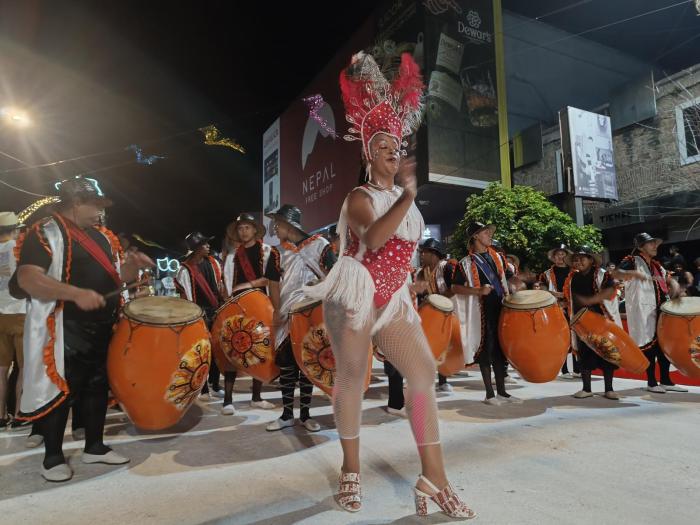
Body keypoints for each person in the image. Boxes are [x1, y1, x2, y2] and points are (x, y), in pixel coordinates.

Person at [304, 51, 474, 518]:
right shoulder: (359, 197)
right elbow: (374, 238)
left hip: (394, 300)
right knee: (353, 380)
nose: (392, 151)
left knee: (423, 377)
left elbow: (404, 252)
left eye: (397, 145)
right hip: (354, 295)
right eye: (383, 145)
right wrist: (408, 196)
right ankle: (351, 470)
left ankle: (433, 479)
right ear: (368, 152)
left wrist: (417, 282)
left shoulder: (405, 201)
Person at [13, 176, 153, 482]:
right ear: (76, 203)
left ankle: (95, 446)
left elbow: (115, 279)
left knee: (96, 387)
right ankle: (52, 457)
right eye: (96, 204)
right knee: (63, 389)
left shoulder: (102, 237)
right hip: (65, 325)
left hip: (101, 325)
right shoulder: (46, 231)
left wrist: (132, 268)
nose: (101, 210)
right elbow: (27, 278)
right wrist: (76, 294)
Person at [265, 204, 335, 432]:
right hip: (287, 315)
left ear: (289, 224)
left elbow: (334, 277)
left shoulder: (320, 246)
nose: (274, 229)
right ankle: (286, 414)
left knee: (308, 364)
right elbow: (273, 283)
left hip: (312, 316)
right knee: (287, 366)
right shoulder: (276, 252)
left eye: (278, 224)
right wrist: (277, 309)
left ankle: (305, 415)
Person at [452, 222, 521, 406]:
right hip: (481, 312)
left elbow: (508, 277)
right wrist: (477, 291)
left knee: (500, 351)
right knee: (485, 350)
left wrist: (515, 284)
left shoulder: (497, 257)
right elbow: (455, 287)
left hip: (501, 308)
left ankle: (503, 393)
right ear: (475, 236)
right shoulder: (465, 263)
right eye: (485, 232)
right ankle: (489, 394)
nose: (490, 234)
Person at [224, 213, 280, 413]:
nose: (243, 231)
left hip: (261, 305)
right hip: (237, 307)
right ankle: (227, 400)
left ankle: (256, 397)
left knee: (259, 349)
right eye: (240, 228)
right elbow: (227, 284)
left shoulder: (268, 252)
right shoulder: (232, 256)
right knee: (232, 349)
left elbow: (271, 280)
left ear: (255, 230)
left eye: (247, 227)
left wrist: (247, 285)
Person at [616, 233, 686, 393]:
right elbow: (617, 273)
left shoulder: (656, 265)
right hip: (644, 310)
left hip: (660, 309)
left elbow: (667, 279)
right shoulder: (632, 261)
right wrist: (634, 274)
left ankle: (666, 380)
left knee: (663, 346)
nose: (655, 246)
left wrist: (674, 284)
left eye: (655, 243)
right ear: (641, 247)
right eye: (650, 243)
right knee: (649, 346)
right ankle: (651, 382)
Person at [563, 246, 620, 400]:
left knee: (607, 354)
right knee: (584, 354)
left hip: (601, 321)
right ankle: (586, 388)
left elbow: (612, 293)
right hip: (582, 323)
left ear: (591, 260)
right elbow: (569, 299)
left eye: (582, 258)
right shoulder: (572, 278)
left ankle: (609, 389)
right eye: (575, 259)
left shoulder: (602, 275)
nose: (578, 261)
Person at [175, 231, 226, 399]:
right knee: (202, 353)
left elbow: (219, 287)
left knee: (217, 350)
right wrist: (197, 318)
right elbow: (188, 299)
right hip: (199, 315)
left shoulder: (213, 263)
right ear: (196, 249)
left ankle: (215, 384)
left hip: (215, 311)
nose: (208, 246)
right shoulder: (185, 270)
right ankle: (203, 388)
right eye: (204, 244)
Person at [415, 238, 455, 394]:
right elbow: (419, 292)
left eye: (424, 252)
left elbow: (453, 289)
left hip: (447, 312)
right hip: (431, 313)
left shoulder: (446, 267)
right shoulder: (422, 272)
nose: (421, 256)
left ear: (434, 253)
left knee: (443, 348)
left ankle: (443, 381)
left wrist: (437, 300)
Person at [0, 212, 26, 429]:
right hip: (20, 313)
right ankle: (19, 414)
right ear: (15, 230)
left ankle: (0, 416)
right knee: (24, 367)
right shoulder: (18, 250)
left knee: (1, 369)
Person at [540, 244, 579, 379]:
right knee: (562, 338)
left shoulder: (575, 272)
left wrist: (567, 296)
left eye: (563, 254)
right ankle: (564, 369)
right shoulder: (546, 274)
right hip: (556, 309)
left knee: (576, 336)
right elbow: (543, 291)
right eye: (558, 255)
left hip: (573, 308)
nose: (561, 257)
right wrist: (556, 295)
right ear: (553, 257)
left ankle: (577, 368)